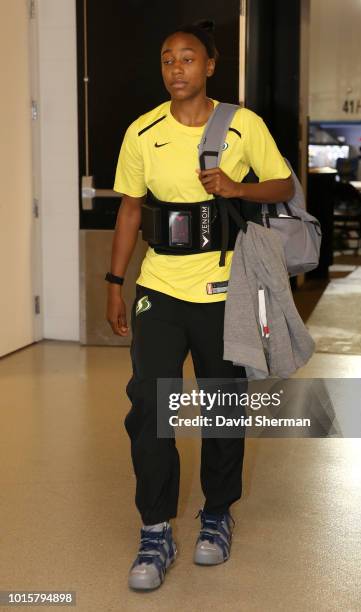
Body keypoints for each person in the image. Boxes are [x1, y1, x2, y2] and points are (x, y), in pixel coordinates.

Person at [106, 21, 294, 591]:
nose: (176, 68)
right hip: (160, 286)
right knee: (149, 407)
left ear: (210, 65)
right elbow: (131, 211)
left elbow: (283, 184)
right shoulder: (142, 131)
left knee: (221, 402)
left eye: (187, 58)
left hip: (225, 288)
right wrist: (116, 282)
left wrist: (238, 188)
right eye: (167, 59)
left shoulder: (242, 125)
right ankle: (155, 527)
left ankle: (216, 513)